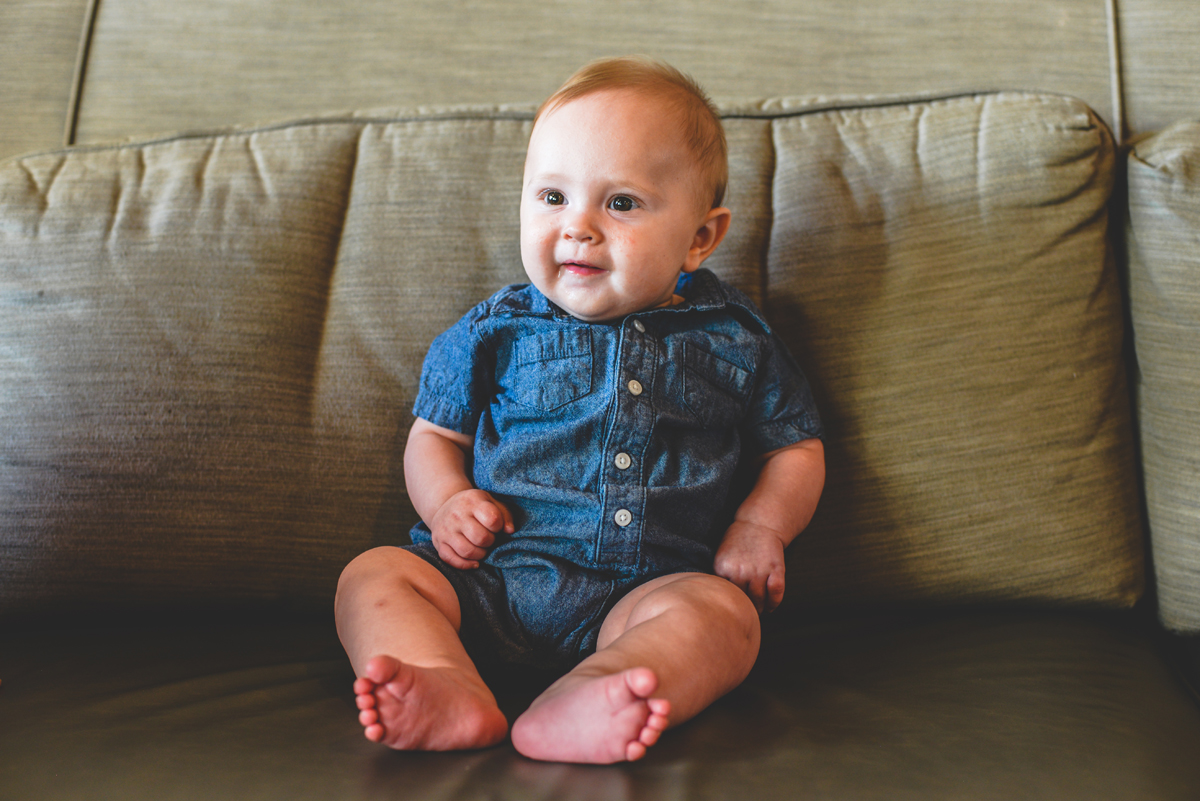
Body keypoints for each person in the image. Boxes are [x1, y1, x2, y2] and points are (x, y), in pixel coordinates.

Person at [334, 56, 825, 765]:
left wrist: (759, 525)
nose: (579, 228)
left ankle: (597, 689)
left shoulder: (738, 340)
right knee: (373, 575)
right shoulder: (493, 331)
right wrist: (447, 503)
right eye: (552, 197)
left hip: (643, 600)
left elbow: (796, 447)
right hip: (488, 581)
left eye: (620, 203)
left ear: (699, 237)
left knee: (727, 617)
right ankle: (444, 680)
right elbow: (433, 436)